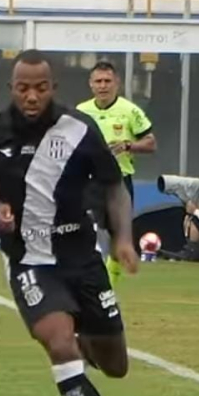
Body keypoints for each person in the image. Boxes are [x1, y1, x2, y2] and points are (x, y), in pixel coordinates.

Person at [0, 50, 148, 396]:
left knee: (115, 365)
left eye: (40, 88)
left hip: (82, 259)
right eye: (23, 88)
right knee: (59, 344)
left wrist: (122, 237)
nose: (31, 96)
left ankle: (83, 336)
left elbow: (113, 188)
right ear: (12, 88)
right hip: (29, 260)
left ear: (54, 88)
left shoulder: (80, 130)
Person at [76, 60, 156, 286]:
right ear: (91, 84)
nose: (103, 86)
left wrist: (128, 145)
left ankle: (109, 285)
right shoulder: (81, 111)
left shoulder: (130, 111)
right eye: (98, 81)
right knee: (86, 229)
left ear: (117, 84)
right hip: (88, 181)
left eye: (107, 81)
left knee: (117, 238)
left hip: (119, 182)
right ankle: (86, 280)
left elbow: (151, 143)